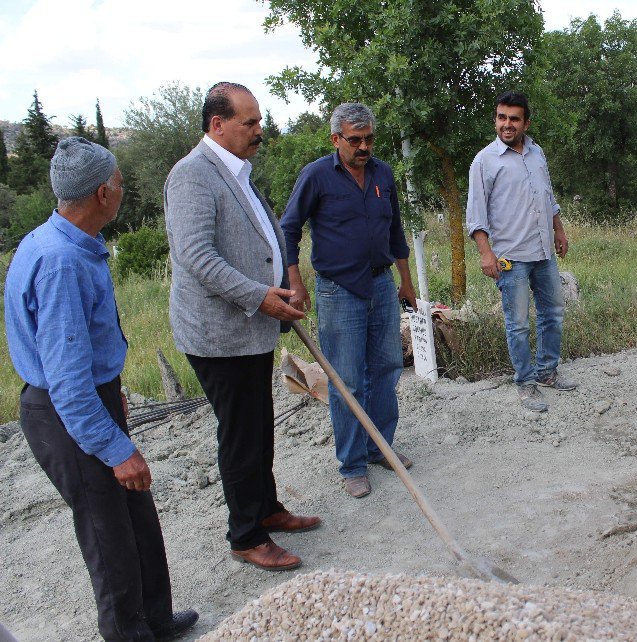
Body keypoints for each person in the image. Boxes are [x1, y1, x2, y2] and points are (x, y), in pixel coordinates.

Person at [5, 137, 197, 641]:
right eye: (118, 182)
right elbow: (67, 381)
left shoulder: (62, 241)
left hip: (90, 399)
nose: (122, 188)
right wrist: (115, 447)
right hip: (64, 413)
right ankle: (128, 634)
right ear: (100, 195)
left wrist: (114, 397)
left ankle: (155, 619)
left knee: (137, 515)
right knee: (106, 534)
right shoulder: (60, 261)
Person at [164, 82, 319, 571]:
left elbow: (260, 237)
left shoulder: (237, 171)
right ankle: (246, 535)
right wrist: (260, 297)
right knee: (240, 434)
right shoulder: (192, 176)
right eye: (249, 122)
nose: (259, 130)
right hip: (218, 335)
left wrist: (283, 284)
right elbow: (197, 258)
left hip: (250, 327)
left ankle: (267, 509)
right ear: (218, 125)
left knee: (258, 426)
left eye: (258, 120)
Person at [281, 102, 416, 499]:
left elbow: (396, 233)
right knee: (346, 380)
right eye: (354, 140)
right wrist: (295, 281)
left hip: (381, 285)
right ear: (335, 139)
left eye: (369, 138)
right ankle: (352, 464)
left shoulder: (383, 174)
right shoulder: (317, 176)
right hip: (338, 291)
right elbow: (289, 227)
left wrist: (405, 281)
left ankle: (380, 448)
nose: (363, 147)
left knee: (387, 368)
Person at [466, 91, 576, 413]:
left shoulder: (537, 153)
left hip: (543, 251)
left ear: (526, 122)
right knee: (518, 324)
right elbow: (476, 216)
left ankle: (547, 372)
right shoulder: (484, 161)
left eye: (514, 118)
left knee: (552, 313)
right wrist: (486, 255)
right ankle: (525, 382)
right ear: (495, 120)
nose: (507, 124)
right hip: (510, 257)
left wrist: (559, 229)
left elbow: (548, 195)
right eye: (502, 117)